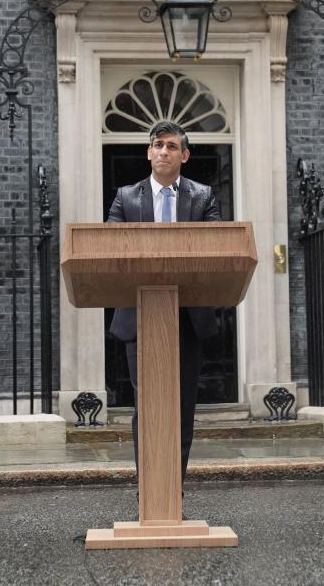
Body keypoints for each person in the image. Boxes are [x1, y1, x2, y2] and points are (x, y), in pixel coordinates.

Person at [106, 120, 221, 485]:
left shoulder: (203, 198)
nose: (163, 152)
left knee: (182, 407)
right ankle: (149, 491)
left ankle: (173, 490)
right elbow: (110, 254)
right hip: (140, 317)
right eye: (158, 145)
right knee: (148, 408)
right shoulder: (125, 197)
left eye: (172, 146)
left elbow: (216, 253)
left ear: (184, 155)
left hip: (188, 319)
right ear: (148, 152)